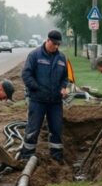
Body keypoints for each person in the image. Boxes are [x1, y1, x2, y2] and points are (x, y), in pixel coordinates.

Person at [19, 29, 70, 162]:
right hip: (38, 100)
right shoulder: (35, 55)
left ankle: (56, 156)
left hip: (55, 102)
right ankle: (27, 156)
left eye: (58, 44)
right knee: (33, 128)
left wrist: (64, 87)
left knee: (56, 129)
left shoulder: (62, 58)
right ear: (47, 40)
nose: (56, 47)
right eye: (54, 44)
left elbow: (65, 77)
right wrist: (37, 88)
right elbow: (26, 75)